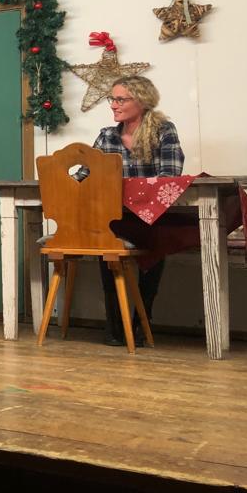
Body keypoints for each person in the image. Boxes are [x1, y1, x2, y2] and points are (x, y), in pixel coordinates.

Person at [92, 75, 184, 346]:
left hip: (151, 217)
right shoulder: (107, 136)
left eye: (121, 99)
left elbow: (170, 177)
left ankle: (142, 321)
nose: (113, 105)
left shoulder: (163, 131)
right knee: (106, 240)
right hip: (116, 218)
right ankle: (115, 324)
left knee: (156, 238)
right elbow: (86, 174)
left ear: (142, 101)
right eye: (112, 99)